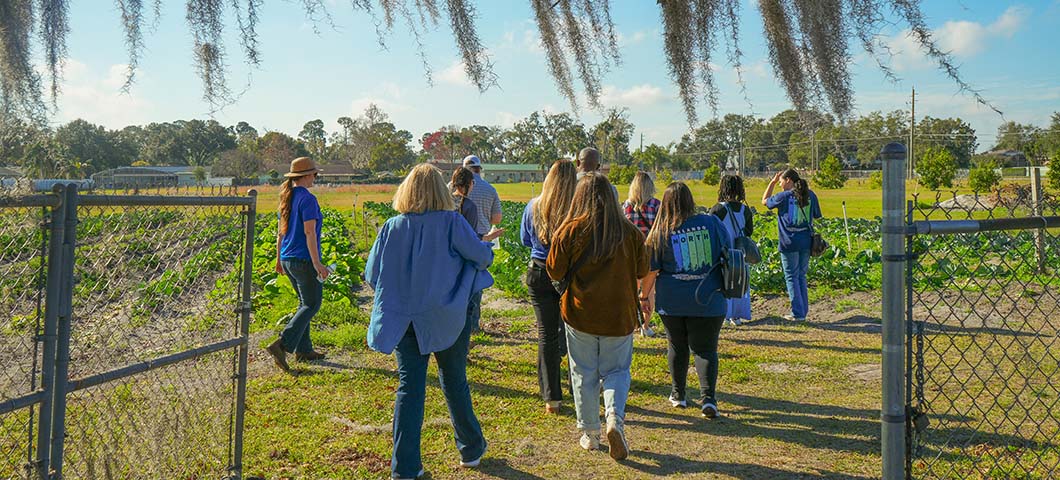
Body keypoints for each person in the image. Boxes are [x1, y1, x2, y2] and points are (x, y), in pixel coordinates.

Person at [365, 164, 493, 480]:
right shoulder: (452, 222)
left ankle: (405, 467)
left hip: (403, 320)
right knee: (454, 379)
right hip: (447, 317)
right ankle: (470, 449)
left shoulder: (391, 227)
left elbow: (372, 275)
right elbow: (482, 258)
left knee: (409, 387)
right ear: (440, 190)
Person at [547, 173, 647, 461]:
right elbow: (642, 270)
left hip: (580, 314)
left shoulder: (570, 230)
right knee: (617, 371)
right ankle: (614, 417)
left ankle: (590, 433)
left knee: (583, 372)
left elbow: (554, 270)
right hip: (619, 315)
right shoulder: (630, 232)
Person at [639, 182, 731, 418]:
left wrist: (643, 296)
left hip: (673, 301)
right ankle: (708, 399)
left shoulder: (661, 231)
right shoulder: (711, 223)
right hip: (709, 298)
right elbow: (728, 251)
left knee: (676, 346)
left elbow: (651, 270)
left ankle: (678, 394)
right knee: (706, 349)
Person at [520, 159, 577, 415]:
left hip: (539, 271)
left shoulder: (534, 205)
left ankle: (552, 397)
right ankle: (578, 386)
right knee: (574, 333)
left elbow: (524, 239)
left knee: (547, 335)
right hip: (570, 274)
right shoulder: (577, 208)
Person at [266, 157, 328, 372]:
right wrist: (317, 263)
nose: (315, 178)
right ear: (307, 175)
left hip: (288, 259)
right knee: (312, 304)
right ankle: (282, 344)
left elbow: (280, 233)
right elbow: (309, 232)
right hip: (303, 259)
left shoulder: (287, 197)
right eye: (315, 174)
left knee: (304, 303)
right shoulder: (308, 199)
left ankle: (304, 349)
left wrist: (278, 259)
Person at [761, 169, 822, 322]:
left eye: (781, 181)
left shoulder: (784, 196)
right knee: (801, 276)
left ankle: (798, 313)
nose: (780, 184)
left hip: (789, 242)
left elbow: (765, 201)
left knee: (791, 277)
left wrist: (772, 183)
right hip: (806, 242)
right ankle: (803, 311)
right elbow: (817, 215)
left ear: (788, 180)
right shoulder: (811, 195)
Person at [462, 155, 503, 334]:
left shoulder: (451, 187)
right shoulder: (490, 189)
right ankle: (473, 325)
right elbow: (497, 218)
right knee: (476, 284)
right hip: (482, 239)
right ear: (479, 169)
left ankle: (458, 325)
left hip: (458, 240)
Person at [709, 174, 754, 326]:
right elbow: (749, 231)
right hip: (740, 253)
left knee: (723, 282)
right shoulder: (745, 210)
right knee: (740, 282)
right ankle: (737, 316)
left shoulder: (718, 209)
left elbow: (711, 229)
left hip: (723, 253)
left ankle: (724, 314)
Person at [622, 171, 661, 337]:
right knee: (648, 292)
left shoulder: (626, 206)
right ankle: (645, 325)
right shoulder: (656, 205)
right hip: (651, 252)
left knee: (631, 290)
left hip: (631, 254)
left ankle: (632, 324)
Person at [451, 167, 479, 233]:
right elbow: (471, 236)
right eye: (473, 182)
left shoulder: (444, 201)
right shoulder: (470, 206)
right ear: (469, 184)